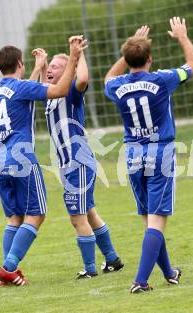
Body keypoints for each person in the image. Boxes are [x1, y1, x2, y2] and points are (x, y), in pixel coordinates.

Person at [104, 18, 193, 293]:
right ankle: (140, 280)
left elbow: (108, 78)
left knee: (149, 220)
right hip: (160, 152)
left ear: (127, 58)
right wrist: (182, 36)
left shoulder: (118, 85)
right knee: (156, 221)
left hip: (133, 154)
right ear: (150, 58)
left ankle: (169, 272)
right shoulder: (161, 79)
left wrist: (127, 51)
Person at [0, 36, 87, 286]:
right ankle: (9, 268)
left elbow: (23, 88)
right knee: (37, 214)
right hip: (21, 158)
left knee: (14, 217)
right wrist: (73, 58)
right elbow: (59, 90)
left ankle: (7, 272)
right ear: (19, 64)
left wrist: (38, 67)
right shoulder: (21, 88)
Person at [30, 38, 123, 279]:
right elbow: (41, 87)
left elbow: (82, 79)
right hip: (70, 166)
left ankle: (90, 270)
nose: (51, 69)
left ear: (68, 72)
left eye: (56, 67)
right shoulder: (52, 95)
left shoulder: (71, 91)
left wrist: (77, 56)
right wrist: (41, 65)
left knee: (77, 217)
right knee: (89, 212)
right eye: (50, 67)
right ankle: (112, 259)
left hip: (78, 164)